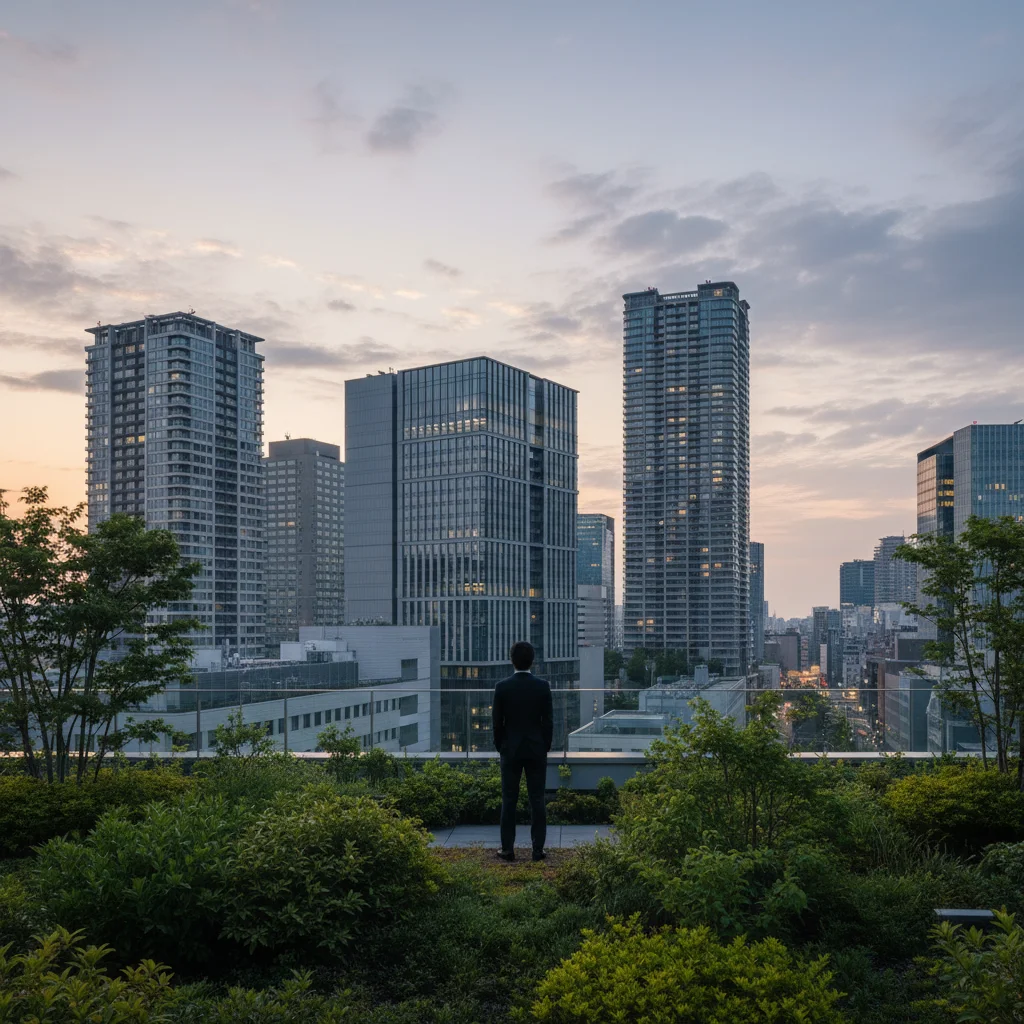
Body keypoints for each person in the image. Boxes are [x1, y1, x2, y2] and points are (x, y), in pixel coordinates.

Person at [491, 640, 553, 862]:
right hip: (536, 749)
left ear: (512, 660)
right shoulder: (543, 687)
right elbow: (548, 722)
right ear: (532, 661)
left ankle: (508, 849)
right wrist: (545, 745)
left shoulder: (502, 687)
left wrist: (501, 746)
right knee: (537, 799)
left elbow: (497, 723)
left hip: (511, 749)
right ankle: (538, 850)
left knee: (509, 799)